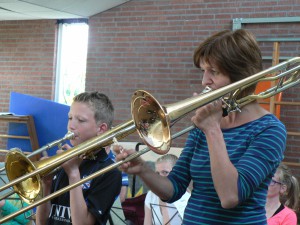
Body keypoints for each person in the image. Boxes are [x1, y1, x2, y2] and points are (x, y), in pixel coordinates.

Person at [116, 29, 287, 224]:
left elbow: (231, 196)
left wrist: (212, 129)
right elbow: (174, 188)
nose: (204, 81)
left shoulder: (269, 130)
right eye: (203, 71)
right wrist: (142, 170)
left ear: (242, 76)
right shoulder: (205, 125)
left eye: (214, 72)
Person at [36, 91, 122, 225]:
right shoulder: (63, 162)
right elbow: (41, 222)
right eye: (70, 118)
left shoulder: (110, 172)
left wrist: (73, 174)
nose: (71, 125)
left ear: (101, 129)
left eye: (80, 120)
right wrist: (46, 185)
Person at [144, 154, 190, 225]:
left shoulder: (185, 198)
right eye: (157, 173)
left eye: (165, 172)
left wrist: (164, 201)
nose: (159, 177)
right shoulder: (151, 194)